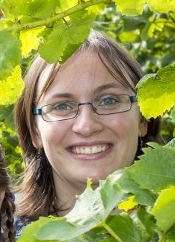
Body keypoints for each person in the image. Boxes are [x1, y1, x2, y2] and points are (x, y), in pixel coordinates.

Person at [12, 30, 162, 223]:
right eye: (62, 106)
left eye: (108, 100)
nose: (86, 126)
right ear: (35, 131)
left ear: (143, 118)